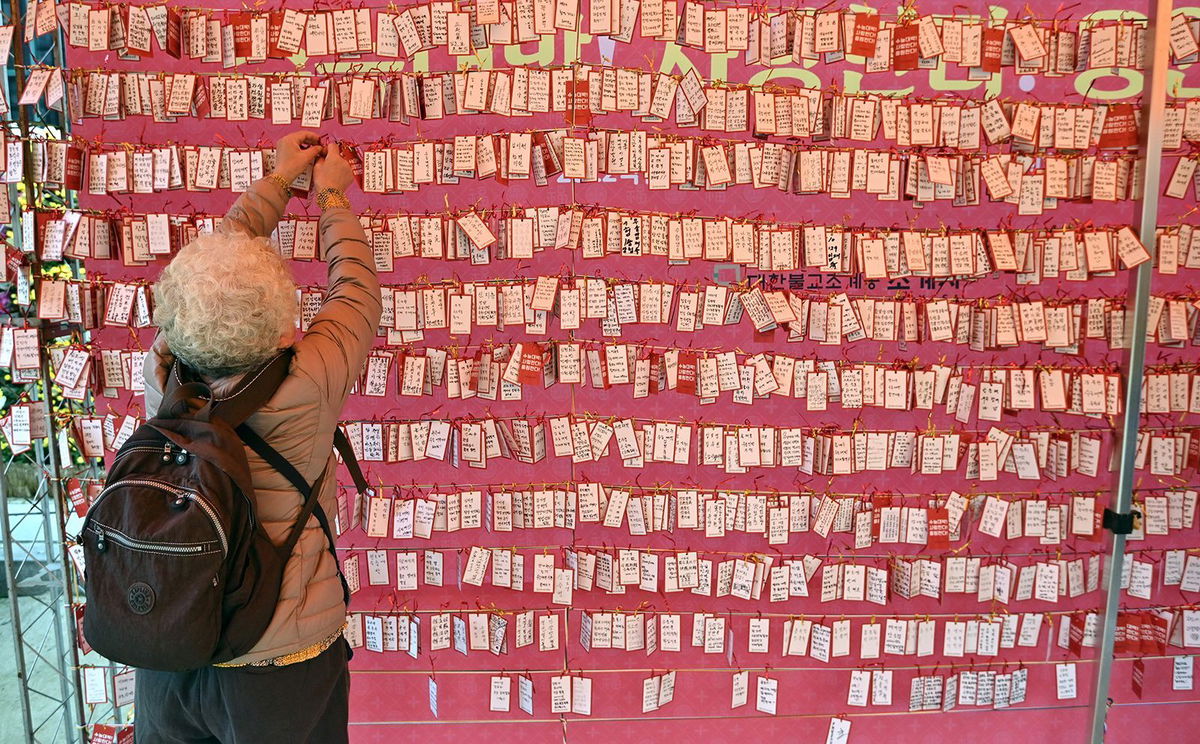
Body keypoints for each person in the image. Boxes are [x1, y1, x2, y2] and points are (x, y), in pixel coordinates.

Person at [133, 131, 383, 743]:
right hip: (281, 664)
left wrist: (275, 182)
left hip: (173, 647)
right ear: (281, 323)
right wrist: (329, 199)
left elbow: (214, 271)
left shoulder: (163, 370)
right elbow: (354, 290)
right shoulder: (309, 380)